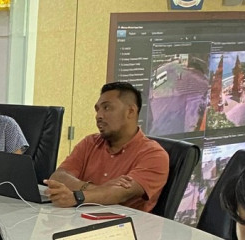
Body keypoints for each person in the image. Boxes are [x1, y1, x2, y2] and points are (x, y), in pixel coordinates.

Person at [46, 82, 168, 211]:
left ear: (131, 111)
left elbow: (120, 195)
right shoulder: (89, 143)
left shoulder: (154, 155)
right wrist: (97, 189)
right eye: (97, 109)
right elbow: (58, 177)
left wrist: (77, 196)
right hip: (80, 219)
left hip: (124, 227)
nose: (98, 115)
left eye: (107, 108)